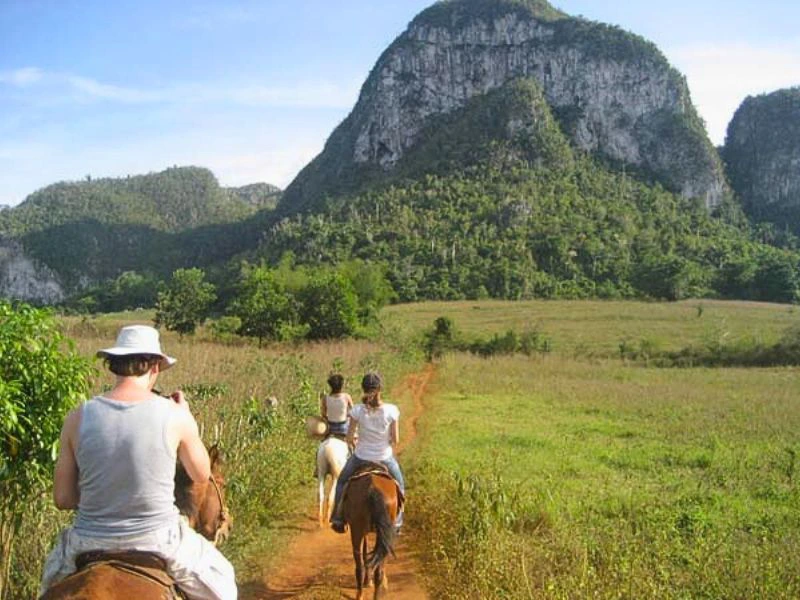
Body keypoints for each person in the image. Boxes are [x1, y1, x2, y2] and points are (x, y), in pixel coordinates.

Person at [40, 325, 237, 600]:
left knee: (47, 588)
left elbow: (63, 499)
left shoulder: (77, 417)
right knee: (224, 584)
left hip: (87, 540)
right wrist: (187, 418)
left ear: (114, 364)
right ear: (155, 367)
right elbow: (201, 473)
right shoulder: (175, 415)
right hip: (159, 539)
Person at [330, 372, 404, 534]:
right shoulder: (392, 410)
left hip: (361, 457)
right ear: (380, 389)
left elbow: (349, 438)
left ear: (363, 389)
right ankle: (398, 522)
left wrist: (356, 442)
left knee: (341, 481)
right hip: (384, 458)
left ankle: (338, 518)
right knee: (400, 484)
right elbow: (396, 439)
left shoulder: (357, 410)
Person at [320, 373, 353, 438]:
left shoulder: (325, 398)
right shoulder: (346, 397)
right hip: (343, 427)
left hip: (330, 428)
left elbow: (323, 414)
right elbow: (353, 412)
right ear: (342, 385)